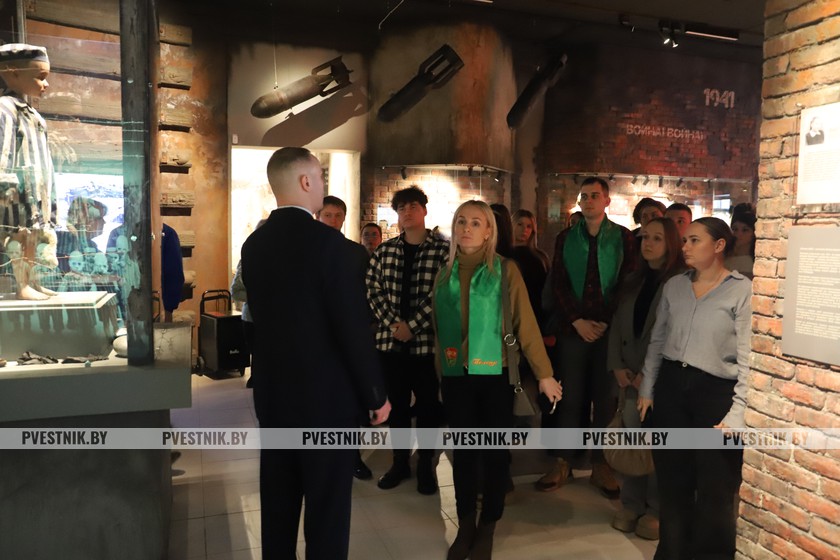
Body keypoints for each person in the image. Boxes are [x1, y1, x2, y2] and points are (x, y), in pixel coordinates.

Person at [241, 147, 390, 560]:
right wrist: (375, 394)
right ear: (306, 181)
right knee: (327, 511)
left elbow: (259, 321)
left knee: (278, 502)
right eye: (320, 178)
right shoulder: (337, 249)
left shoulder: (254, 246)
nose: (323, 185)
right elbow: (352, 332)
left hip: (274, 395)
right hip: (326, 400)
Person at [435, 200, 562, 560]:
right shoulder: (445, 272)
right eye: (461, 221)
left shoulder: (505, 270)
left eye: (476, 222)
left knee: (493, 454)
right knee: (463, 454)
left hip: (496, 376)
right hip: (457, 377)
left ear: (489, 230)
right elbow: (438, 332)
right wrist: (440, 377)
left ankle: (488, 525)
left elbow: (526, 323)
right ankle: (466, 525)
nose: (467, 228)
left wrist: (545, 374)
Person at [638, 217, 751, 560]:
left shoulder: (741, 290)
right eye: (684, 240)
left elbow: (748, 356)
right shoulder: (674, 286)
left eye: (694, 240)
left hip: (717, 394)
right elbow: (658, 340)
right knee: (673, 485)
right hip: (672, 388)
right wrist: (647, 388)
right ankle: (671, 553)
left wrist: (738, 412)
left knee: (716, 490)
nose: (685, 247)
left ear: (719, 245)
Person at [538, 176, 636, 496]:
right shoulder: (566, 237)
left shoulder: (623, 237)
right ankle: (563, 460)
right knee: (570, 397)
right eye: (584, 196)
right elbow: (559, 283)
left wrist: (606, 321)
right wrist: (577, 320)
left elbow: (626, 282)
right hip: (573, 329)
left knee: (605, 400)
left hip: (609, 332)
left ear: (607, 201)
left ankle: (601, 464)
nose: (589, 200)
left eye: (595, 195)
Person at [366, 185, 449, 494]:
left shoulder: (443, 251)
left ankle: (426, 463)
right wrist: (392, 323)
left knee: (428, 407)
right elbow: (372, 289)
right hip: (390, 345)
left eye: (413, 206)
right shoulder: (385, 251)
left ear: (424, 210)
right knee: (397, 407)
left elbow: (443, 293)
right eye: (401, 208)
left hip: (426, 345)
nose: (407, 212)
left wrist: (412, 325)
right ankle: (399, 461)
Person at [606, 217, 685, 541]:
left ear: (671, 244)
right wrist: (616, 366)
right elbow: (617, 325)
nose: (648, 243)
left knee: (656, 446)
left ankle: (655, 510)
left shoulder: (680, 283)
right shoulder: (633, 280)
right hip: (628, 377)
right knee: (631, 441)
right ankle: (631, 504)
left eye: (656, 238)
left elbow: (674, 336)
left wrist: (648, 375)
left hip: (659, 380)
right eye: (644, 237)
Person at [0, 44, 56, 300]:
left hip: (37, 187)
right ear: (12, 72)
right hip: (19, 189)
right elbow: (4, 148)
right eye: (40, 77)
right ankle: (22, 286)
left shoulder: (32, 114)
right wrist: (5, 183)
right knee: (19, 235)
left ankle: (32, 281)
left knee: (34, 235)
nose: (45, 84)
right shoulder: (5, 108)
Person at [725, 203, 756, 279]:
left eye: (745, 230)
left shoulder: (755, 260)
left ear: (753, 233)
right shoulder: (724, 254)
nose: (738, 234)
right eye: (735, 229)